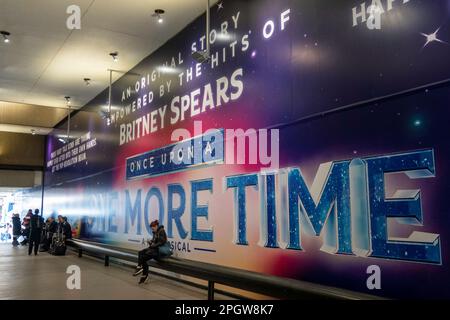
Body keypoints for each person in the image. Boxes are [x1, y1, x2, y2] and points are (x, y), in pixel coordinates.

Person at [133, 220, 171, 284]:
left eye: (153, 227)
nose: (152, 229)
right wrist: (150, 242)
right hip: (155, 250)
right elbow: (155, 242)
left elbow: (162, 242)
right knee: (140, 252)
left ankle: (144, 274)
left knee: (144, 258)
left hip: (160, 252)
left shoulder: (161, 231)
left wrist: (153, 245)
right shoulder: (155, 232)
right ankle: (140, 267)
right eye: (152, 228)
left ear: (156, 226)